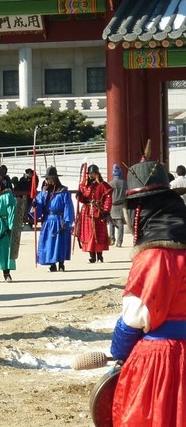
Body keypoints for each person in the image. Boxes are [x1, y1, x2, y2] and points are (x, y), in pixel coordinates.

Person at [109, 160, 186, 426]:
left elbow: (134, 318)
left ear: (140, 212)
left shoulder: (154, 256)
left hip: (162, 360)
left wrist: (119, 350)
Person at [31, 166, 74, 272]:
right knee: (49, 243)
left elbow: (68, 207)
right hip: (48, 220)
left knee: (60, 242)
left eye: (51, 178)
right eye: (47, 179)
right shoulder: (44, 192)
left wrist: (67, 221)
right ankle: (52, 264)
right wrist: (35, 205)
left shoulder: (63, 192)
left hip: (59, 219)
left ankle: (61, 264)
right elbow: (39, 205)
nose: (49, 181)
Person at [76, 164, 113, 263]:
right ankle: (92, 255)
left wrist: (106, 210)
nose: (91, 175)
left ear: (97, 174)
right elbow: (83, 200)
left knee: (98, 233)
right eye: (89, 174)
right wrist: (79, 196)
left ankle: (99, 255)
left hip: (99, 211)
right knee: (88, 234)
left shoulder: (103, 185)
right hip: (87, 212)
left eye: (93, 173)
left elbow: (108, 198)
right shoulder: (84, 185)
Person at [109, 164, 127, 248]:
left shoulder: (110, 184)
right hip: (121, 205)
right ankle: (119, 242)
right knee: (120, 224)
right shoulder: (125, 183)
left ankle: (112, 239)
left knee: (111, 222)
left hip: (112, 205)